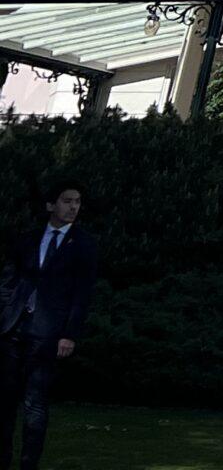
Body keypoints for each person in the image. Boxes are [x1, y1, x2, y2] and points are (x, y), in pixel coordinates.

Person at [0, 182, 96, 470]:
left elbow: (82, 293)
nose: (73, 207)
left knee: (35, 400)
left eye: (77, 201)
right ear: (51, 205)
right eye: (67, 201)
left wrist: (69, 334)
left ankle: (29, 463)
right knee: (5, 399)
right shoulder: (28, 240)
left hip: (48, 332)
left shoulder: (83, 244)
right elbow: (8, 280)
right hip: (14, 328)